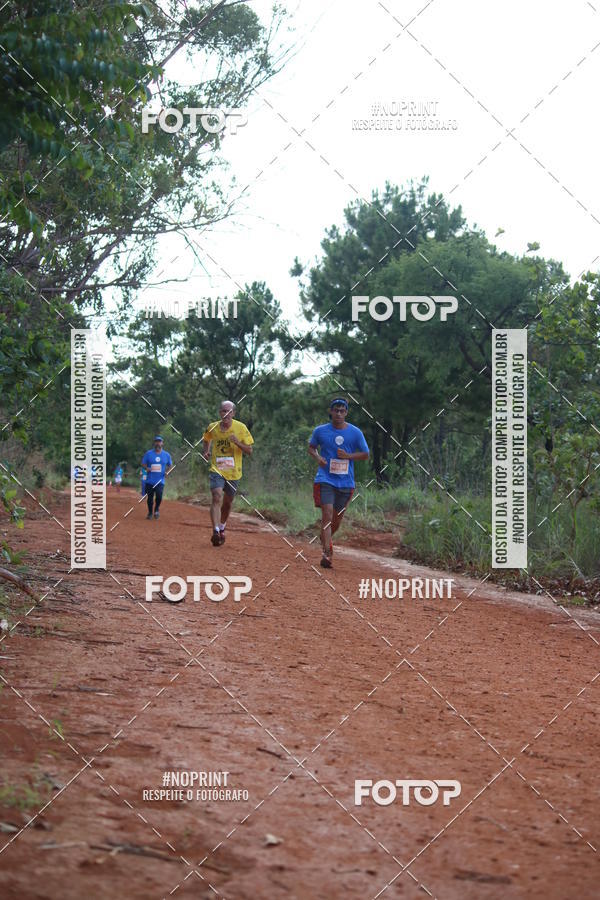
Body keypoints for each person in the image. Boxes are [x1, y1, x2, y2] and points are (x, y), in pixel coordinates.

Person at [308, 398, 369, 568]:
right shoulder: (320, 431)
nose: (339, 414)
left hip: (346, 483)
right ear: (331, 411)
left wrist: (348, 456)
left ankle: (326, 539)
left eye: (342, 411)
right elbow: (311, 448)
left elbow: (365, 454)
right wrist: (318, 458)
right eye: (336, 410)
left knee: (336, 520)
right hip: (325, 479)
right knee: (327, 514)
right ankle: (327, 554)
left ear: (346, 413)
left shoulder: (355, 432)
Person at [202, 401, 253, 546]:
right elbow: (206, 439)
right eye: (223, 411)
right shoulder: (213, 427)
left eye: (229, 411)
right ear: (220, 412)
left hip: (234, 472)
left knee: (228, 502)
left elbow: (249, 451)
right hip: (217, 469)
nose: (225, 414)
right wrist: (205, 451)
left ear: (233, 413)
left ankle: (222, 526)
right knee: (216, 496)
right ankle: (215, 531)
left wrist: (237, 442)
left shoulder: (241, 428)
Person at [141, 436, 173, 519]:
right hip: (150, 480)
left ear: (162, 443)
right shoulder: (148, 453)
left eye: (159, 441)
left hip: (160, 481)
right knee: (150, 498)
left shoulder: (166, 455)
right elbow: (143, 464)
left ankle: (156, 510)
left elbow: (170, 465)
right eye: (156, 441)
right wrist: (146, 468)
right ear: (154, 443)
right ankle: (150, 513)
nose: (158, 443)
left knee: (159, 496)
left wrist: (167, 472)